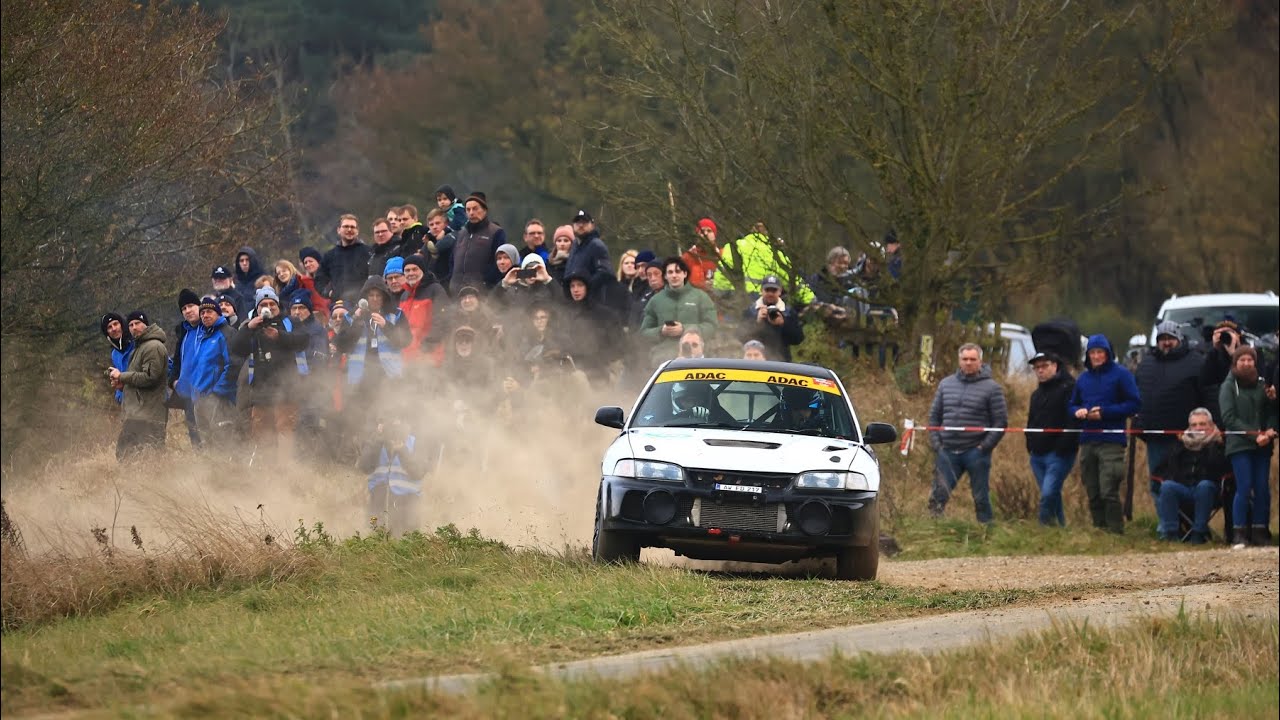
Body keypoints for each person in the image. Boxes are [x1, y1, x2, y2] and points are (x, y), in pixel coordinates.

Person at [927, 343, 1009, 524]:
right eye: (965, 359)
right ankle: (933, 532)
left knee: (981, 497)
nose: (969, 363)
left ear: (980, 361)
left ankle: (986, 534)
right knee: (938, 495)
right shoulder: (945, 384)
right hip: (947, 450)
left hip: (975, 451)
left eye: (973, 359)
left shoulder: (992, 388)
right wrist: (937, 445)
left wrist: (984, 447)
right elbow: (934, 417)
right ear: (959, 361)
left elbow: (1000, 422)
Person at [1069, 334, 1142, 534]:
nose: (1096, 356)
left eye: (1100, 352)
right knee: (1092, 489)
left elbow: (1134, 403)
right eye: (1092, 352)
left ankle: (1116, 530)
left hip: (1112, 439)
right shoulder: (1083, 378)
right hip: (1087, 439)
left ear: (1108, 353)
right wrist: (1078, 412)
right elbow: (1072, 404)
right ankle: (1099, 530)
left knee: (1108, 488)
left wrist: (1104, 413)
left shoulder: (1122, 375)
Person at [231, 286, 309, 458]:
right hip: (260, 389)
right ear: (257, 308)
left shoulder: (290, 322)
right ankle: (266, 470)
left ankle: (285, 470)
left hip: (287, 389)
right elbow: (236, 348)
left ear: (278, 305)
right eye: (263, 304)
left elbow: (303, 340)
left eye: (271, 303)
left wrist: (279, 336)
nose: (268, 307)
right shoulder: (251, 325)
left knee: (285, 431)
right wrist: (248, 328)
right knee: (261, 431)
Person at [1133, 321, 1204, 503]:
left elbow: (1207, 395)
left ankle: (1186, 525)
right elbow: (1138, 394)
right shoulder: (1147, 363)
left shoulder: (1195, 361)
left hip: (1186, 438)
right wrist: (1139, 422)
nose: (1166, 343)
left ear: (1178, 339)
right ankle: (1166, 526)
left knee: (1185, 483)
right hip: (1155, 436)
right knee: (1157, 483)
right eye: (1162, 339)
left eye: (1170, 338)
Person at [1219, 345, 1278, 545]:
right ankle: (1239, 531)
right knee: (1244, 487)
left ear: (1255, 362)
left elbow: (1271, 411)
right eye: (1241, 360)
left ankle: (1261, 530)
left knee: (1262, 488)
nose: (1246, 363)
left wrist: (1270, 431)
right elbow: (1229, 417)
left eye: (1249, 360)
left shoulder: (1263, 385)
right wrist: (1255, 436)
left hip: (1263, 445)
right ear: (1235, 363)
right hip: (1239, 445)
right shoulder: (1228, 386)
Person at [1153, 408, 1230, 544]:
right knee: (1167, 486)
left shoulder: (1219, 444)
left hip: (1210, 492)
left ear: (1211, 426)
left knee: (1204, 486)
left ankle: (1199, 533)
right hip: (1184, 489)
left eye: (1202, 424)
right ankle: (1171, 534)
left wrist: (1215, 445)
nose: (1198, 428)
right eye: (1194, 425)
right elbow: (1162, 469)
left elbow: (1220, 467)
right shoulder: (1181, 444)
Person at [1025, 351, 1079, 526]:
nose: (1040, 370)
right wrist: (1030, 443)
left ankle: (1043, 527)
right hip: (1037, 453)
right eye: (1037, 367)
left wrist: (1063, 445)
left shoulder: (1069, 388)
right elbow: (1031, 420)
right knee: (1051, 494)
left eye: (1044, 366)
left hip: (1059, 454)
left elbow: (1073, 419)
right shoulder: (1036, 395)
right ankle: (1059, 528)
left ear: (1055, 366)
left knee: (1048, 493)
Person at [639, 256, 719, 367]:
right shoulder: (655, 301)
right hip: (663, 359)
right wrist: (661, 331)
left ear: (685, 274)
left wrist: (685, 329)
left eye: (678, 271)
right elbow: (644, 332)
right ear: (665, 276)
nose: (674, 275)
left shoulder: (701, 297)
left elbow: (712, 326)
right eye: (670, 272)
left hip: (695, 357)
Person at [110, 311, 168, 460]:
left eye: (137, 323)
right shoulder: (139, 347)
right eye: (130, 325)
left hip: (149, 414)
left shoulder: (153, 346)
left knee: (145, 457)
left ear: (145, 324)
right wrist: (122, 386)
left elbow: (150, 377)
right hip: (139, 413)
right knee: (128, 456)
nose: (134, 327)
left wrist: (122, 376)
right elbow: (138, 378)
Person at [359, 413, 429, 535]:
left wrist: (402, 451)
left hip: (407, 508)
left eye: (398, 425)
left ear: (407, 425)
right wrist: (377, 441)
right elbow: (364, 466)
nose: (394, 431)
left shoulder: (416, 443)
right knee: (373, 539)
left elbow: (419, 472)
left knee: (407, 544)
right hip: (377, 505)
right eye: (390, 424)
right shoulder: (374, 442)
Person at [712, 221, 814, 304]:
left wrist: (719, 295)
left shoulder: (733, 247)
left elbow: (722, 276)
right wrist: (812, 301)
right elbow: (791, 279)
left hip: (737, 299)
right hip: (765, 301)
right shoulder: (773, 251)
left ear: (751, 229)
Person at [188, 296, 238, 444]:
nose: (205, 315)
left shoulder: (226, 332)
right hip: (199, 398)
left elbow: (234, 364)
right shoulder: (202, 336)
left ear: (218, 313)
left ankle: (227, 468)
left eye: (209, 311)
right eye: (202, 313)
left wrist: (218, 392)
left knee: (221, 440)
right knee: (206, 441)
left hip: (217, 397)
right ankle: (209, 468)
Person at [738, 275, 805, 362]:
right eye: (767, 290)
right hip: (755, 361)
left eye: (774, 290)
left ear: (780, 291)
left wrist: (783, 324)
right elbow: (740, 337)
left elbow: (798, 339)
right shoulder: (751, 311)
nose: (770, 293)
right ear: (761, 291)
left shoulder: (788, 312)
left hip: (781, 362)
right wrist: (757, 322)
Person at [449, 193, 508, 292]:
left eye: (475, 209)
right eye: (468, 210)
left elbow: (499, 263)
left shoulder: (496, 232)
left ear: (484, 210)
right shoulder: (461, 234)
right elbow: (451, 261)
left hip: (482, 293)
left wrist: (486, 283)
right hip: (457, 292)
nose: (471, 213)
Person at [398, 254, 448, 366]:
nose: (411, 273)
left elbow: (442, 320)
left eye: (415, 269)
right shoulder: (404, 296)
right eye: (407, 270)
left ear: (423, 270)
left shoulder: (435, 290)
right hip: (407, 357)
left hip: (429, 356)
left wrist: (428, 346)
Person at [170, 288, 203, 447]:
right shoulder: (183, 332)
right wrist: (174, 381)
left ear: (199, 306)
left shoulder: (208, 328)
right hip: (187, 392)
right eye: (183, 308)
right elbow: (177, 360)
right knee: (194, 434)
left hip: (205, 391)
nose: (187, 310)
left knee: (209, 434)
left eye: (190, 306)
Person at [320, 213, 372, 306]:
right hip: (337, 306)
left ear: (357, 231)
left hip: (361, 306)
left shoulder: (368, 252)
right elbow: (319, 279)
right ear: (338, 230)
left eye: (352, 227)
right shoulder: (330, 255)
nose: (349, 230)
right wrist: (328, 292)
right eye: (346, 226)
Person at [1199, 318, 1244, 425]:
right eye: (1219, 334)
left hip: (1240, 412)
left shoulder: (1249, 354)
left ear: (1238, 336)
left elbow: (1245, 378)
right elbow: (1204, 382)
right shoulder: (1207, 355)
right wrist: (1215, 349)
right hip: (1216, 412)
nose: (1224, 337)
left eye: (1228, 333)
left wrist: (1234, 353)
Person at [565, 209, 611, 293]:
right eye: (577, 222)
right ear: (573, 225)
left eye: (585, 222)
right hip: (574, 300)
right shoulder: (575, 244)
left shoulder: (597, 245)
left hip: (591, 300)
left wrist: (586, 289)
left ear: (592, 225)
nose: (581, 225)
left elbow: (604, 273)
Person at [101, 312, 134, 405]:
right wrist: (119, 395)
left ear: (122, 324)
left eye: (116, 324)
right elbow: (120, 381)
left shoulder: (137, 343)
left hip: (150, 402)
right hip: (129, 405)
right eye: (109, 327)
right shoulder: (115, 354)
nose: (114, 329)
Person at [682, 218, 721, 289]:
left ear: (714, 235)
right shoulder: (688, 257)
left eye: (709, 231)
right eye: (702, 231)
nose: (705, 234)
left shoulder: (722, 255)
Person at [423, 207, 456, 286]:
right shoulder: (427, 242)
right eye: (431, 224)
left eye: (437, 223)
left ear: (446, 224)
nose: (434, 227)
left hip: (447, 284)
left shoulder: (452, 239)